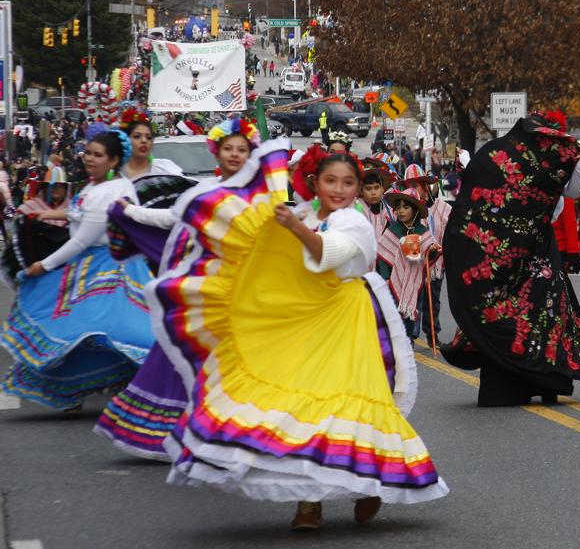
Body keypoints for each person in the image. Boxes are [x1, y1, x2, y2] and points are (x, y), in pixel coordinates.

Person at [147, 141, 448, 530]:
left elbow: (333, 253)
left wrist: (294, 228)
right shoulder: (304, 213)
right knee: (302, 406)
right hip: (302, 318)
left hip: (347, 319)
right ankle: (309, 502)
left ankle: (367, 484)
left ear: (357, 188)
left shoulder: (352, 220)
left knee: (343, 404)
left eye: (348, 182)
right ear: (314, 182)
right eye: (330, 181)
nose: (339, 189)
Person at [94, 119, 257, 460]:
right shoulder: (204, 190)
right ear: (218, 150)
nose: (235, 155)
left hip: (245, 293)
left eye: (242, 149)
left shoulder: (260, 194)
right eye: (229, 148)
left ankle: (234, 433)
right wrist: (131, 212)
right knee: (184, 356)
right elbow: (171, 219)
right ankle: (183, 431)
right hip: (206, 290)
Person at [441, 111, 580, 406]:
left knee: (541, 314)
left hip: (535, 252)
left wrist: (579, 164)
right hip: (509, 254)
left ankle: (543, 379)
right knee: (523, 313)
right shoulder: (505, 159)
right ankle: (534, 380)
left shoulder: (539, 164)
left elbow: (570, 195)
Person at [1, 130, 154, 411]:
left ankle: (133, 384)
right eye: (88, 153)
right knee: (84, 332)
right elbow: (79, 214)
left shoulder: (114, 190)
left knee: (99, 331)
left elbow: (83, 238)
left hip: (110, 269)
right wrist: (45, 214)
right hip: (93, 265)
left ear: (113, 160)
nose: (89, 159)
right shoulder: (96, 187)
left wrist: (43, 265)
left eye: (97, 155)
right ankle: (77, 388)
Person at [395, 165, 451, 347]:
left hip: (434, 263)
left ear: (425, 185)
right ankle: (410, 334)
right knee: (412, 298)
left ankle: (433, 334)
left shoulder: (441, 207)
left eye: (417, 184)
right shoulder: (405, 213)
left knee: (433, 301)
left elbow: (451, 228)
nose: (414, 188)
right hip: (412, 265)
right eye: (409, 185)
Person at [377, 188, 440, 341]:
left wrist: (431, 250)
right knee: (393, 316)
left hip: (414, 281)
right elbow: (382, 255)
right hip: (393, 280)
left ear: (415, 209)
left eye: (406, 207)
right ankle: (395, 344)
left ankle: (408, 342)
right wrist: (386, 277)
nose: (401, 211)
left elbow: (429, 255)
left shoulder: (422, 231)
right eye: (398, 207)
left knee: (411, 314)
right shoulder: (393, 230)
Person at [117, 108, 184, 181]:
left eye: (148, 137)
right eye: (137, 136)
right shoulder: (114, 174)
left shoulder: (165, 169)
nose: (144, 141)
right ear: (126, 139)